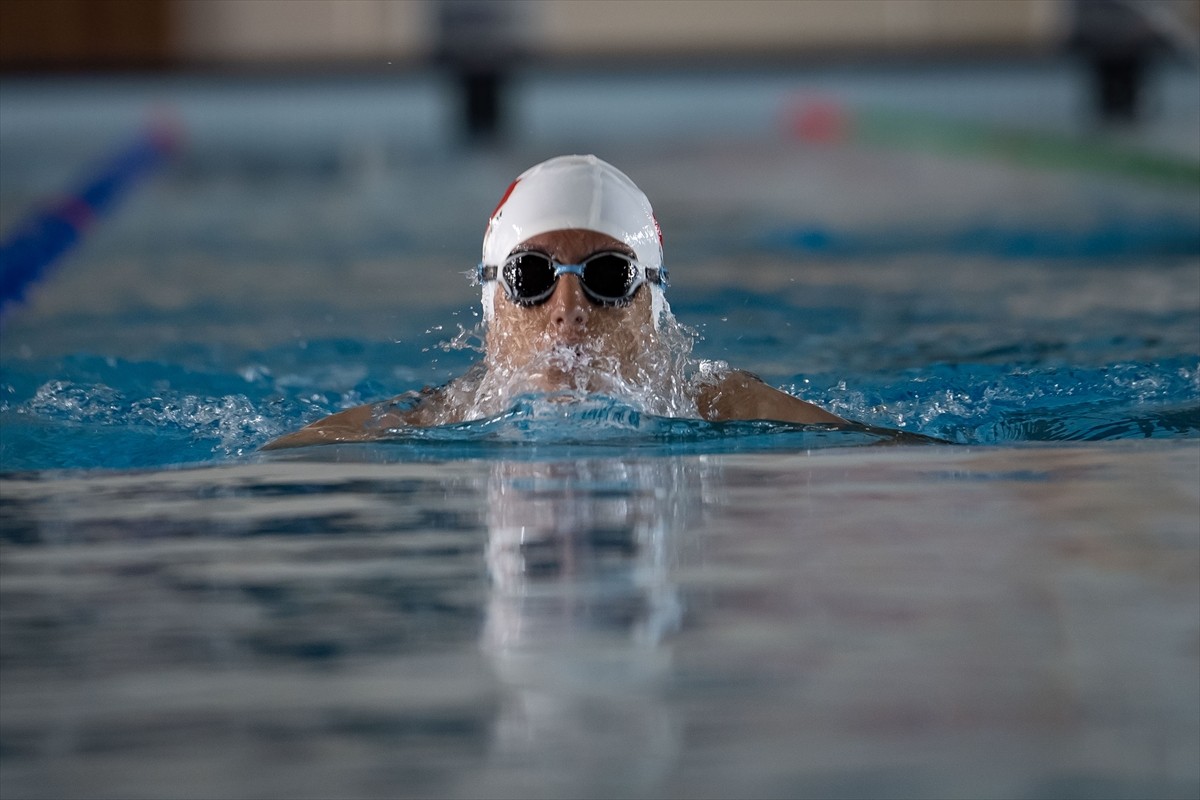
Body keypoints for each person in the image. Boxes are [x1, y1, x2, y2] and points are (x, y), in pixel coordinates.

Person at [264, 155, 843, 450]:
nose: (568, 308)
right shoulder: (426, 424)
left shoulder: (726, 409)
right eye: (531, 275)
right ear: (492, 310)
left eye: (609, 276)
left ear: (653, 309)